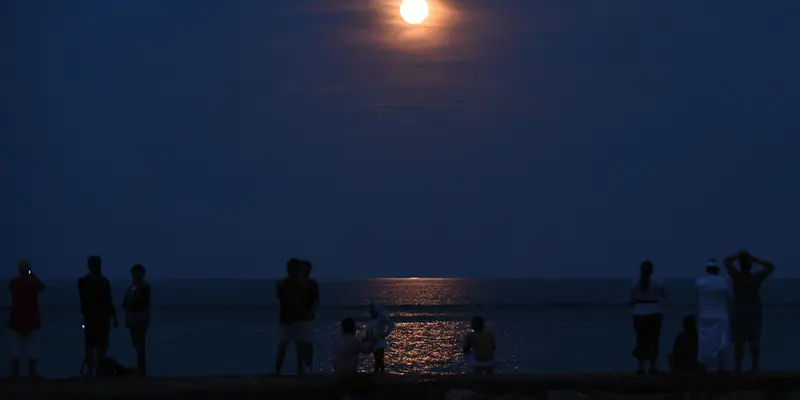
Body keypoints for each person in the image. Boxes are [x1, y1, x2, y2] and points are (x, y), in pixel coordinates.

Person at [723, 250, 775, 373]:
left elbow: (726, 261)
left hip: (739, 309)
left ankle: (738, 367)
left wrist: (739, 255)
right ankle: (755, 366)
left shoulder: (737, 277)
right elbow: (771, 267)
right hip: (754, 310)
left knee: (739, 341)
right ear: (751, 267)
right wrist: (755, 259)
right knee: (754, 340)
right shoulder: (756, 278)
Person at [78, 255, 118, 377]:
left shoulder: (83, 282)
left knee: (90, 345)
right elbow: (109, 300)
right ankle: (100, 371)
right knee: (101, 345)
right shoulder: (104, 282)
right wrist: (114, 317)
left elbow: (83, 300)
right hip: (103, 318)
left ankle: (90, 371)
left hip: (90, 318)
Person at [8, 259, 46, 378]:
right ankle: (32, 374)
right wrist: (32, 274)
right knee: (32, 348)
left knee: (15, 348)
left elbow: (11, 289)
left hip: (16, 318)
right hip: (32, 318)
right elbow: (42, 288)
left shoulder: (14, 282)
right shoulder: (33, 282)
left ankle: (15, 374)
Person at [274, 258, 312, 376]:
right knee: (296, 345)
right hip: (294, 317)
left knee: (285, 345)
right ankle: (298, 371)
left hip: (288, 318)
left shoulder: (283, 283)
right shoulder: (298, 284)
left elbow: (279, 296)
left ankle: (278, 372)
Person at [630, 260, 667, 374]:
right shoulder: (657, 283)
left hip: (639, 313)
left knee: (641, 340)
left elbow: (631, 298)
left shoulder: (635, 283)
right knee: (654, 340)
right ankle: (652, 366)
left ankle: (641, 367)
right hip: (654, 312)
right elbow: (664, 294)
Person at [695, 259, 732, 373]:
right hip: (720, 314)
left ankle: (705, 365)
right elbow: (729, 298)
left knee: (704, 342)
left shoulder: (699, 282)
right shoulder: (722, 282)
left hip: (704, 315)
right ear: (717, 270)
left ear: (707, 270)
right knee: (721, 341)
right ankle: (720, 366)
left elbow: (697, 296)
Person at [333, 317, 373, 400]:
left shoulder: (339, 339)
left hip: (337, 371)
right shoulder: (354, 340)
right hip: (348, 373)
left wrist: (364, 340)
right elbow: (367, 350)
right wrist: (372, 340)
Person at [122, 264, 151, 376]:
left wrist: (130, 304)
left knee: (140, 344)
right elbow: (126, 302)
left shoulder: (144, 288)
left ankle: (141, 369)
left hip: (140, 319)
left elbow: (140, 303)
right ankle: (140, 367)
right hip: (133, 319)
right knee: (137, 343)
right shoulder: (133, 287)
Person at [298, 260, 320, 374]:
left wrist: (311, 313)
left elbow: (316, 301)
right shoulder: (296, 284)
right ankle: (300, 367)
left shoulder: (312, 284)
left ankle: (308, 365)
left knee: (307, 343)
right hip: (296, 317)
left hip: (308, 318)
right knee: (299, 343)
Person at [364, 301, 396, 378]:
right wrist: (365, 338)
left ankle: (379, 373)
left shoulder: (382, 317)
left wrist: (385, 333)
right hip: (373, 341)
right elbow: (369, 330)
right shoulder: (372, 319)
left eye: (372, 309)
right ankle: (378, 374)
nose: (370, 311)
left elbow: (391, 324)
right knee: (377, 358)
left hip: (380, 341)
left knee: (379, 359)